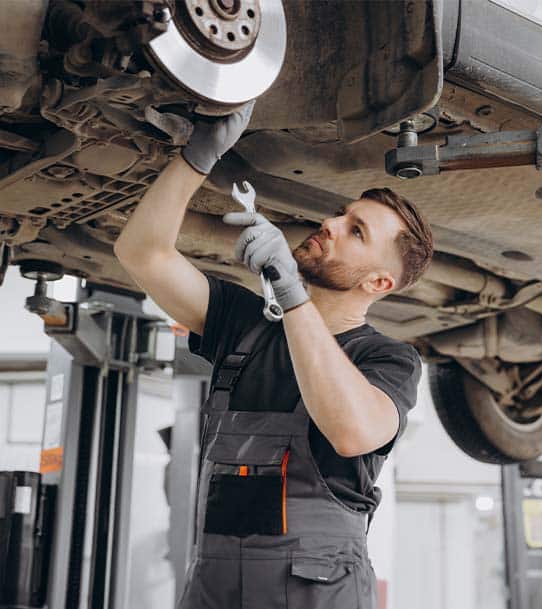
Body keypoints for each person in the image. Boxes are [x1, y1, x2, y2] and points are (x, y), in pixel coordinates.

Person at [114, 103, 433, 609]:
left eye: (356, 231)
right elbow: (142, 253)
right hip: (213, 583)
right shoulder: (246, 327)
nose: (330, 222)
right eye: (342, 214)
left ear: (378, 283)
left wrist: (289, 290)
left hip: (317, 590)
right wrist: (196, 158)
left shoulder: (387, 359)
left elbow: (352, 433)